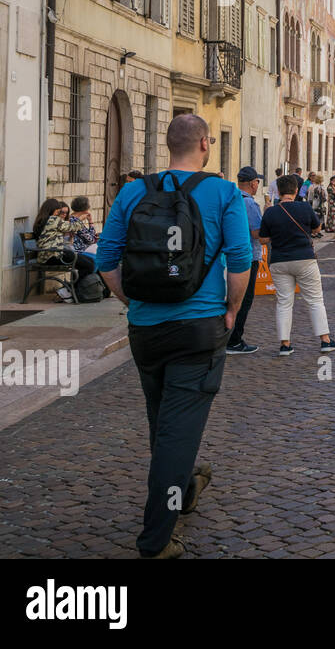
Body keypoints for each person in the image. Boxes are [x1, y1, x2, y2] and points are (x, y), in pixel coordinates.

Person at [96, 113, 252, 559]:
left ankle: (183, 488)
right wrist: (232, 310)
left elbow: (105, 260)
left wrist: (132, 302)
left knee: (164, 421)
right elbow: (241, 260)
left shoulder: (133, 191)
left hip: (147, 329)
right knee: (177, 431)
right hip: (199, 327)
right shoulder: (222, 192)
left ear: (167, 145)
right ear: (205, 144)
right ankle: (156, 541)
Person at [259, 175, 335, 355]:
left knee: (284, 303)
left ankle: (285, 345)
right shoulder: (304, 207)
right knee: (315, 300)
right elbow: (317, 229)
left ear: (278, 192)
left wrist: (278, 235)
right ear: (296, 191)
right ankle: (325, 341)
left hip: (279, 261)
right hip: (304, 259)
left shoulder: (270, 212)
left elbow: (263, 239)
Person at [225, 167, 264, 355]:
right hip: (248, 256)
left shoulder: (231, 198)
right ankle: (234, 340)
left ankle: (226, 336)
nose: (258, 185)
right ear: (251, 183)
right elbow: (257, 233)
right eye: (257, 181)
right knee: (243, 300)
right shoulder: (249, 204)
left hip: (230, 255)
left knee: (230, 298)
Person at [33, 199, 93, 299]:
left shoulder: (42, 220)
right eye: (58, 211)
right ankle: (69, 290)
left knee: (88, 262)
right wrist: (81, 218)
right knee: (89, 265)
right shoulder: (53, 219)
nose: (59, 213)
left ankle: (70, 290)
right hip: (54, 255)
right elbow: (72, 227)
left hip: (49, 255)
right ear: (52, 210)